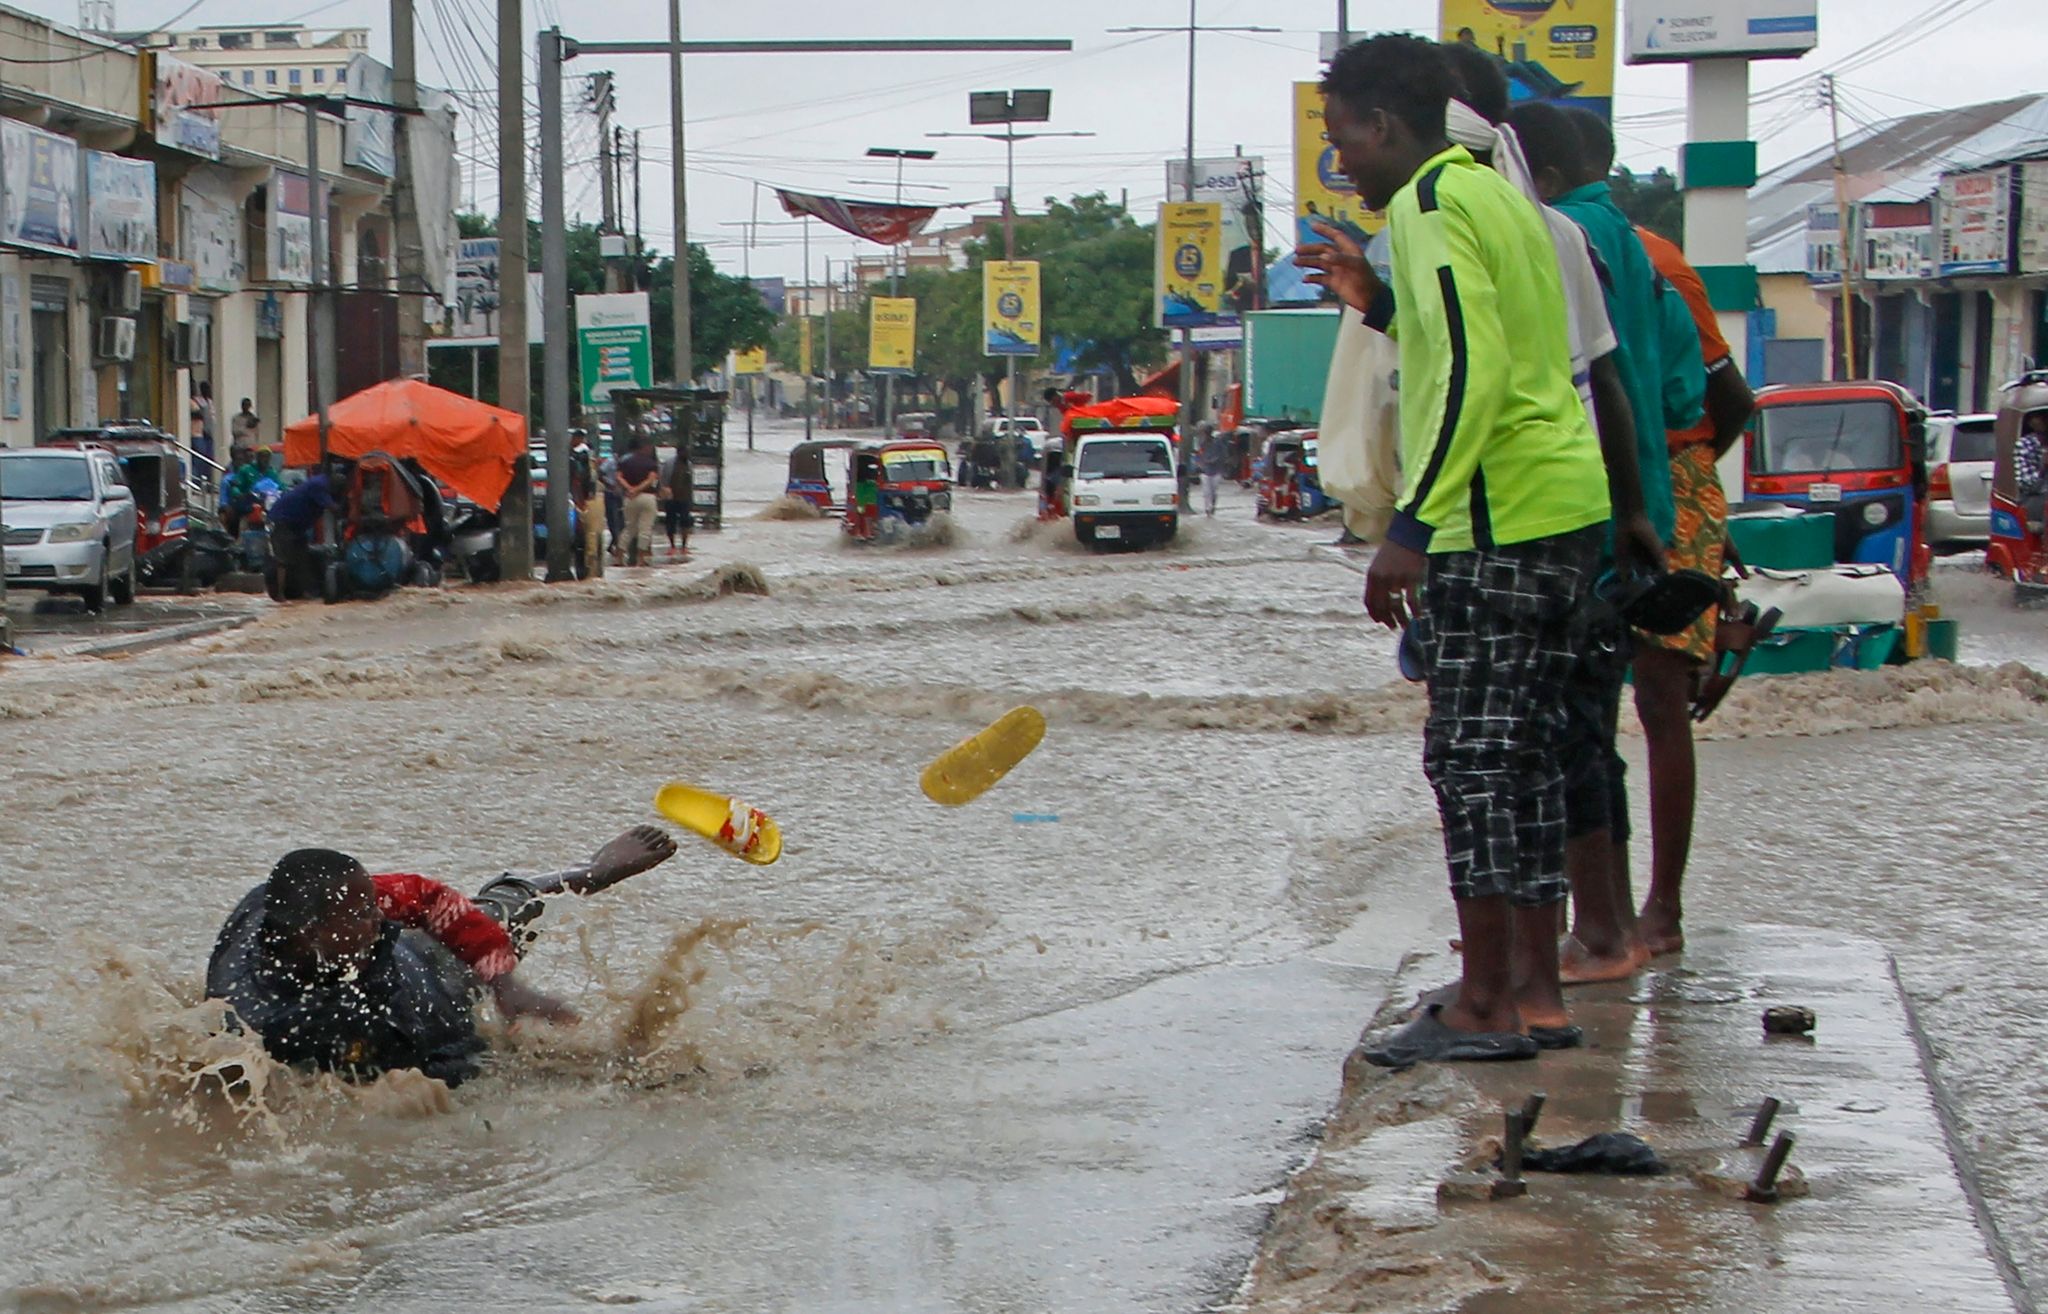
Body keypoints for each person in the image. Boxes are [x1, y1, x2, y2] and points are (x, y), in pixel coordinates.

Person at [1296, 34, 1613, 1066]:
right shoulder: (1493, 196)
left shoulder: (1428, 208)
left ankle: (1481, 1004)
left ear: (1384, 126)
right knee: (1527, 758)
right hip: (1564, 504)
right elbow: (1490, 342)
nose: (1338, 160)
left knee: (1471, 760)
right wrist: (1375, 302)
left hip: (1495, 516)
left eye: (1341, 136)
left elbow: (1471, 374)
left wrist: (1410, 529)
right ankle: (1535, 993)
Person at [1508, 100, 1705, 986]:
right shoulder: (1643, 248)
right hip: (1638, 501)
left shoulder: (1551, 235)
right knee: (1603, 724)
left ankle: (1595, 931)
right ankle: (1619, 919)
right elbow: (1686, 388)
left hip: (1571, 507)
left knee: (1564, 730)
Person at [205, 827, 678, 1087]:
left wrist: (504, 984)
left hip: (434, 963)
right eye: (361, 913)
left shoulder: (336, 908)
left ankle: (589, 870)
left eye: (374, 904)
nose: (379, 916)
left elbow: (425, 899)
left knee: (502, 911)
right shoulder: (255, 1008)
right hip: (423, 1016)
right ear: (309, 934)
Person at [1624, 229, 1756, 958]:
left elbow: (1732, 396)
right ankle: (1629, 909)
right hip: (1664, 474)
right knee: (1650, 698)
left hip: (1663, 474)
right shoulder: (1633, 250)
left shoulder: (1655, 264)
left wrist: (1693, 483)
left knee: (1656, 697)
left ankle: (1659, 908)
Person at [266, 465, 340, 599]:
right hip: (282, 521)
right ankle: (280, 595)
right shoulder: (319, 485)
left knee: (302, 558)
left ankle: (305, 592)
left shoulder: (323, 483)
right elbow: (333, 508)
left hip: (297, 525)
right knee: (283, 559)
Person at [615, 438, 661, 567]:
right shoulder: (651, 463)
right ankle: (641, 559)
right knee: (645, 529)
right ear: (644, 448)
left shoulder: (625, 462)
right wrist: (638, 489)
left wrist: (630, 488)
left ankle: (619, 557)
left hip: (629, 498)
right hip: (647, 496)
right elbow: (651, 479)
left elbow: (618, 477)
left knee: (629, 528)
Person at [1196, 422, 1233, 517]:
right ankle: (1208, 508)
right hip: (1205, 471)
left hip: (1216, 470)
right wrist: (1201, 463)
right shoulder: (1201, 443)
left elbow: (1224, 455)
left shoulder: (1218, 442)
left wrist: (1216, 460)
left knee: (1213, 491)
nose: (1205, 434)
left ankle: (1212, 506)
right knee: (1206, 491)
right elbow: (1198, 455)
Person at [2018, 412, 2048, 526]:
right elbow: (2026, 485)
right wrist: (2043, 467)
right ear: (2030, 422)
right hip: (2036, 501)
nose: (2044, 420)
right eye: (2039, 417)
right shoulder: (2025, 445)